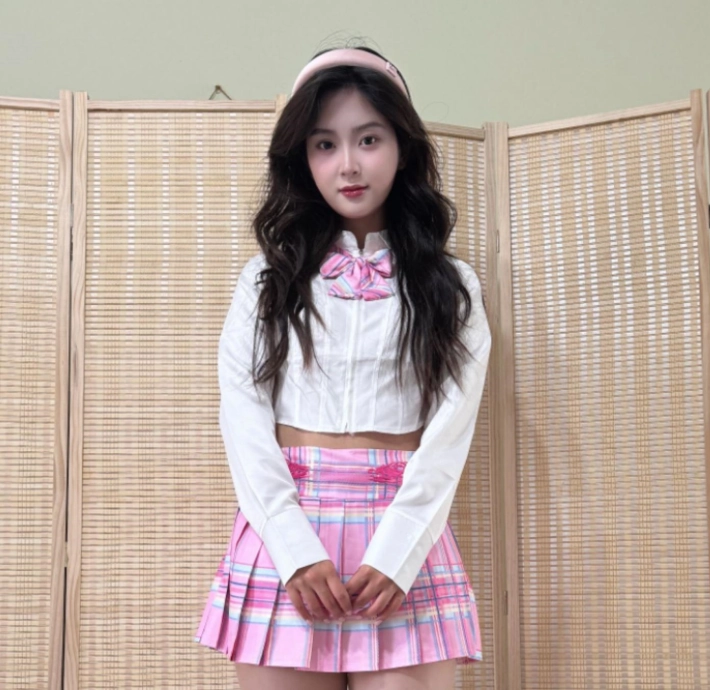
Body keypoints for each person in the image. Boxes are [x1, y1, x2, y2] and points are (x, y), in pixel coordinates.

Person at [195, 43, 492, 690]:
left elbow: (450, 434)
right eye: (325, 144)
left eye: (369, 139)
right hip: (286, 534)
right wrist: (293, 548)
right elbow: (242, 416)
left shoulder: (451, 287)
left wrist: (399, 552)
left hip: (404, 537)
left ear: (403, 148)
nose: (349, 164)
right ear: (302, 159)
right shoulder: (266, 280)